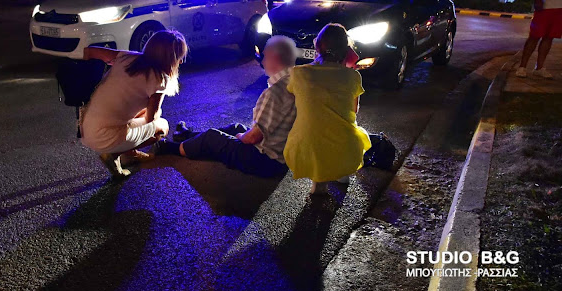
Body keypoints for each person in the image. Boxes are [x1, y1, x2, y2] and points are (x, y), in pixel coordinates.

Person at [154, 36, 297, 177]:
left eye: (265, 56)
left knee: (213, 137)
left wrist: (241, 137)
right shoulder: (293, 83)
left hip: (264, 160)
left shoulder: (274, 93)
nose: (263, 61)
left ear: (276, 58)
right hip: (279, 156)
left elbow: (253, 138)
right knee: (235, 128)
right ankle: (188, 137)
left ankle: (173, 148)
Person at [80, 30, 188, 177]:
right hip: (104, 137)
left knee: (142, 114)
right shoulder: (159, 79)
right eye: (179, 57)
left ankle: (127, 151)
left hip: (85, 128)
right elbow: (151, 119)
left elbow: (90, 51)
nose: (181, 61)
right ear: (171, 58)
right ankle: (115, 154)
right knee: (162, 126)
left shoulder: (126, 57)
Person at [284, 23, 371, 195]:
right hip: (345, 146)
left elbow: (293, 103)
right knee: (353, 131)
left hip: (306, 145)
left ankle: (319, 183)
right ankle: (342, 172)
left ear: (317, 46)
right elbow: (354, 111)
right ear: (346, 50)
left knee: (315, 132)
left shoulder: (299, 73)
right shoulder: (353, 76)